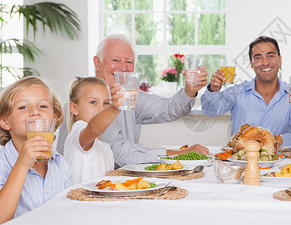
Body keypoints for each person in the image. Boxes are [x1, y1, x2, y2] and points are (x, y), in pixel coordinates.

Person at [57, 34, 209, 167]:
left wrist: (190, 90)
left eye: (129, 62)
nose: (123, 67)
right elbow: (121, 153)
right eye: (115, 60)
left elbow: (168, 109)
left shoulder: (129, 95)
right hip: (78, 189)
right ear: (97, 63)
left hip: (113, 183)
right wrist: (179, 154)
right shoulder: (84, 103)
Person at [201, 36, 291, 147]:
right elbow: (209, 110)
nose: (265, 63)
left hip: (280, 162)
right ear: (251, 63)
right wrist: (213, 89)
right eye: (258, 58)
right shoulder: (238, 92)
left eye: (270, 56)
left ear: (280, 60)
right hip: (241, 161)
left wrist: (266, 141)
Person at [0, 77, 72, 222]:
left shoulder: (60, 163)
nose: (35, 112)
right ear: (5, 122)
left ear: (54, 117)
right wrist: (22, 164)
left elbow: (67, 212)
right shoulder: (2, 163)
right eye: (23, 107)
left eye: (43, 106)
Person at [63, 77, 122, 183]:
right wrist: (115, 107)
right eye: (93, 102)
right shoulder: (76, 136)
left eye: (106, 103)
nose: (101, 109)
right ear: (74, 108)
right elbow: (93, 128)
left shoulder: (106, 149)